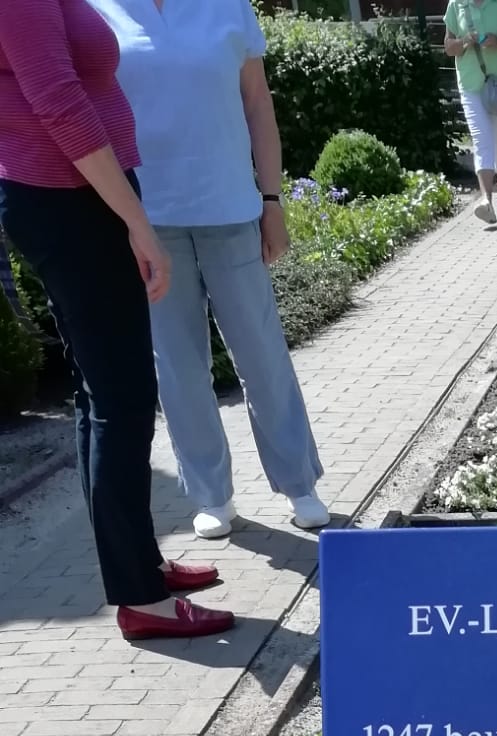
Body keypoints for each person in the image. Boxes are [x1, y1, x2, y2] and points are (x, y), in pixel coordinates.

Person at [0, 0, 233, 641]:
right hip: (70, 202)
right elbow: (57, 102)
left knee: (101, 395)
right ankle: (141, 599)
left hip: (77, 197)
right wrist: (136, 221)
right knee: (122, 398)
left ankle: (139, 566)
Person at [91, 0, 329, 542]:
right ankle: (211, 495)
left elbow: (258, 104)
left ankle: (299, 484)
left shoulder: (228, 6)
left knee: (263, 354)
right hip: (148, 221)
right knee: (178, 368)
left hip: (231, 209)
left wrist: (272, 199)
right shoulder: (97, 9)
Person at [443, 0, 497, 227]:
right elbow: (448, 47)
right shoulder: (456, 4)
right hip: (471, 85)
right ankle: (486, 200)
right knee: (481, 140)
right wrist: (464, 41)